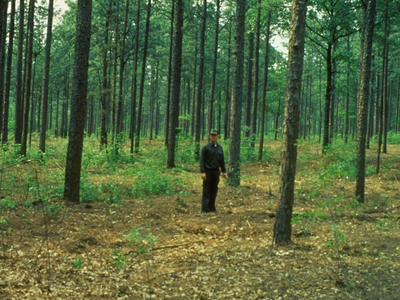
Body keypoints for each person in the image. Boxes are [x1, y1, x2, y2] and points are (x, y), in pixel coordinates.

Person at [200, 129, 228, 213]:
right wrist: (203, 172)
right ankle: (205, 209)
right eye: (212, 135)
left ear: (218, 137)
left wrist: (224, 171)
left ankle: (212, 207)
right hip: (208, 171)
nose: (213, 137)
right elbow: (202, 160)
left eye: (215, 135)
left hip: (216, 172)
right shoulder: (206, 148)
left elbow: (222, 160)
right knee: (207, 190)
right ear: (209, 136)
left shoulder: (220, 148)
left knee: (214, 189)